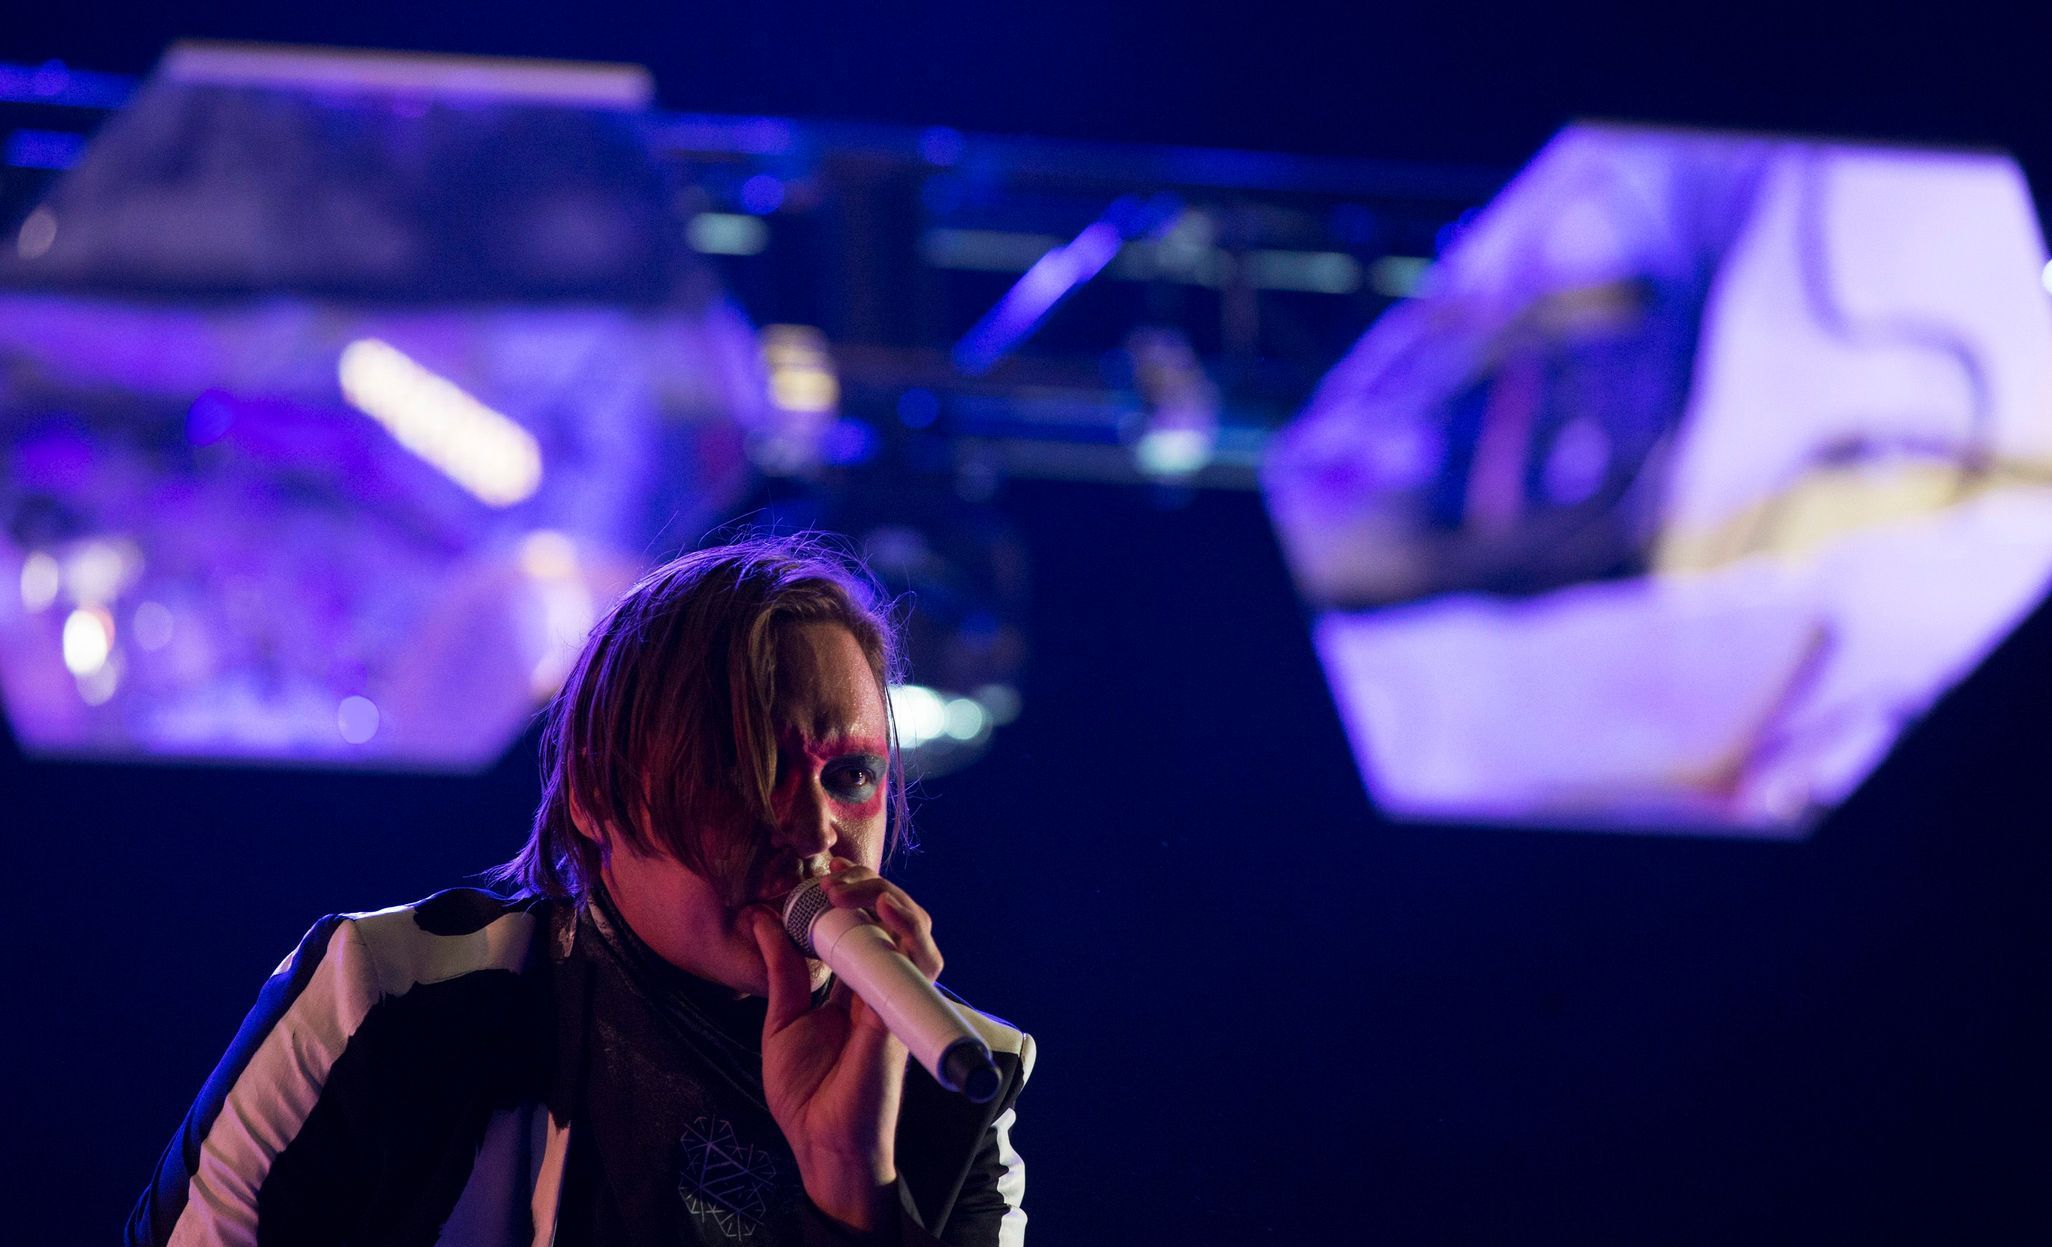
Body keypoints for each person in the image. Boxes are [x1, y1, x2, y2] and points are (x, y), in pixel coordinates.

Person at [127, 537, 1032, 1246]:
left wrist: (851, 1190)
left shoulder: (956, 1084)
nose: (813, 828)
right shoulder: (389, 997)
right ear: (597, 793)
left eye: (852, 775)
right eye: (744, 769)